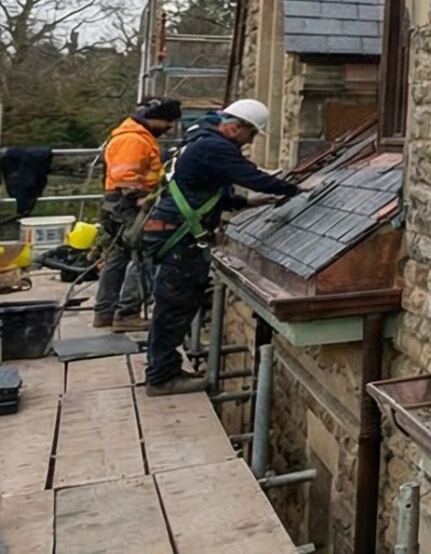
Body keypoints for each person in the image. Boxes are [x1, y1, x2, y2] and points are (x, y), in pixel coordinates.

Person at [138, 99, 301, 396]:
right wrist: (297, 190)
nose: (250, 142)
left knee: (176, 305)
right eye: (250, 135)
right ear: (235, 127)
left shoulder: (201, 139)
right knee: (174, 306)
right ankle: (161, 377)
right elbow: (252, 177)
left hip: (174, 234)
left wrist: (244, 202)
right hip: (180, 238)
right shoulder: (215, 147)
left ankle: (165, 368)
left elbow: (203, 189)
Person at [92, 97, 181, 331]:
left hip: (119, 203)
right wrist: (140, 199)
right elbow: (127, 177)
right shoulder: (133, 139)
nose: (169, 127)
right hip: (128, 205)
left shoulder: (134, 135)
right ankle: (126, 313)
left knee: (118, 256)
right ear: (154, 117)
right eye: (168, 121)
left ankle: (105, 311)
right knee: (143, 252)